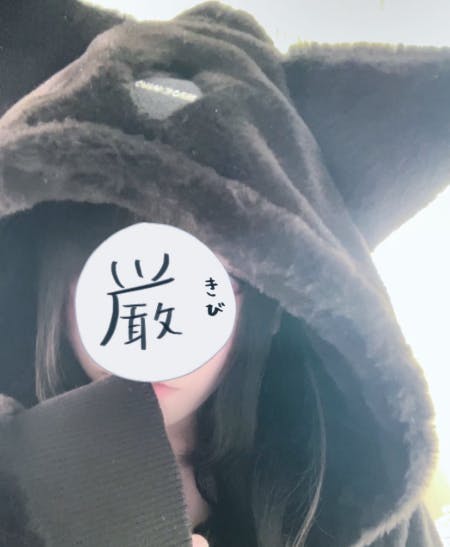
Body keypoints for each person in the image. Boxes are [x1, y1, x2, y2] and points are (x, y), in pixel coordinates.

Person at [1, 1, 449, 546]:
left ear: (270, 292)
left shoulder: (350, 497)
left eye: (209, 272)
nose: (157, 318)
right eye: (117, 263)